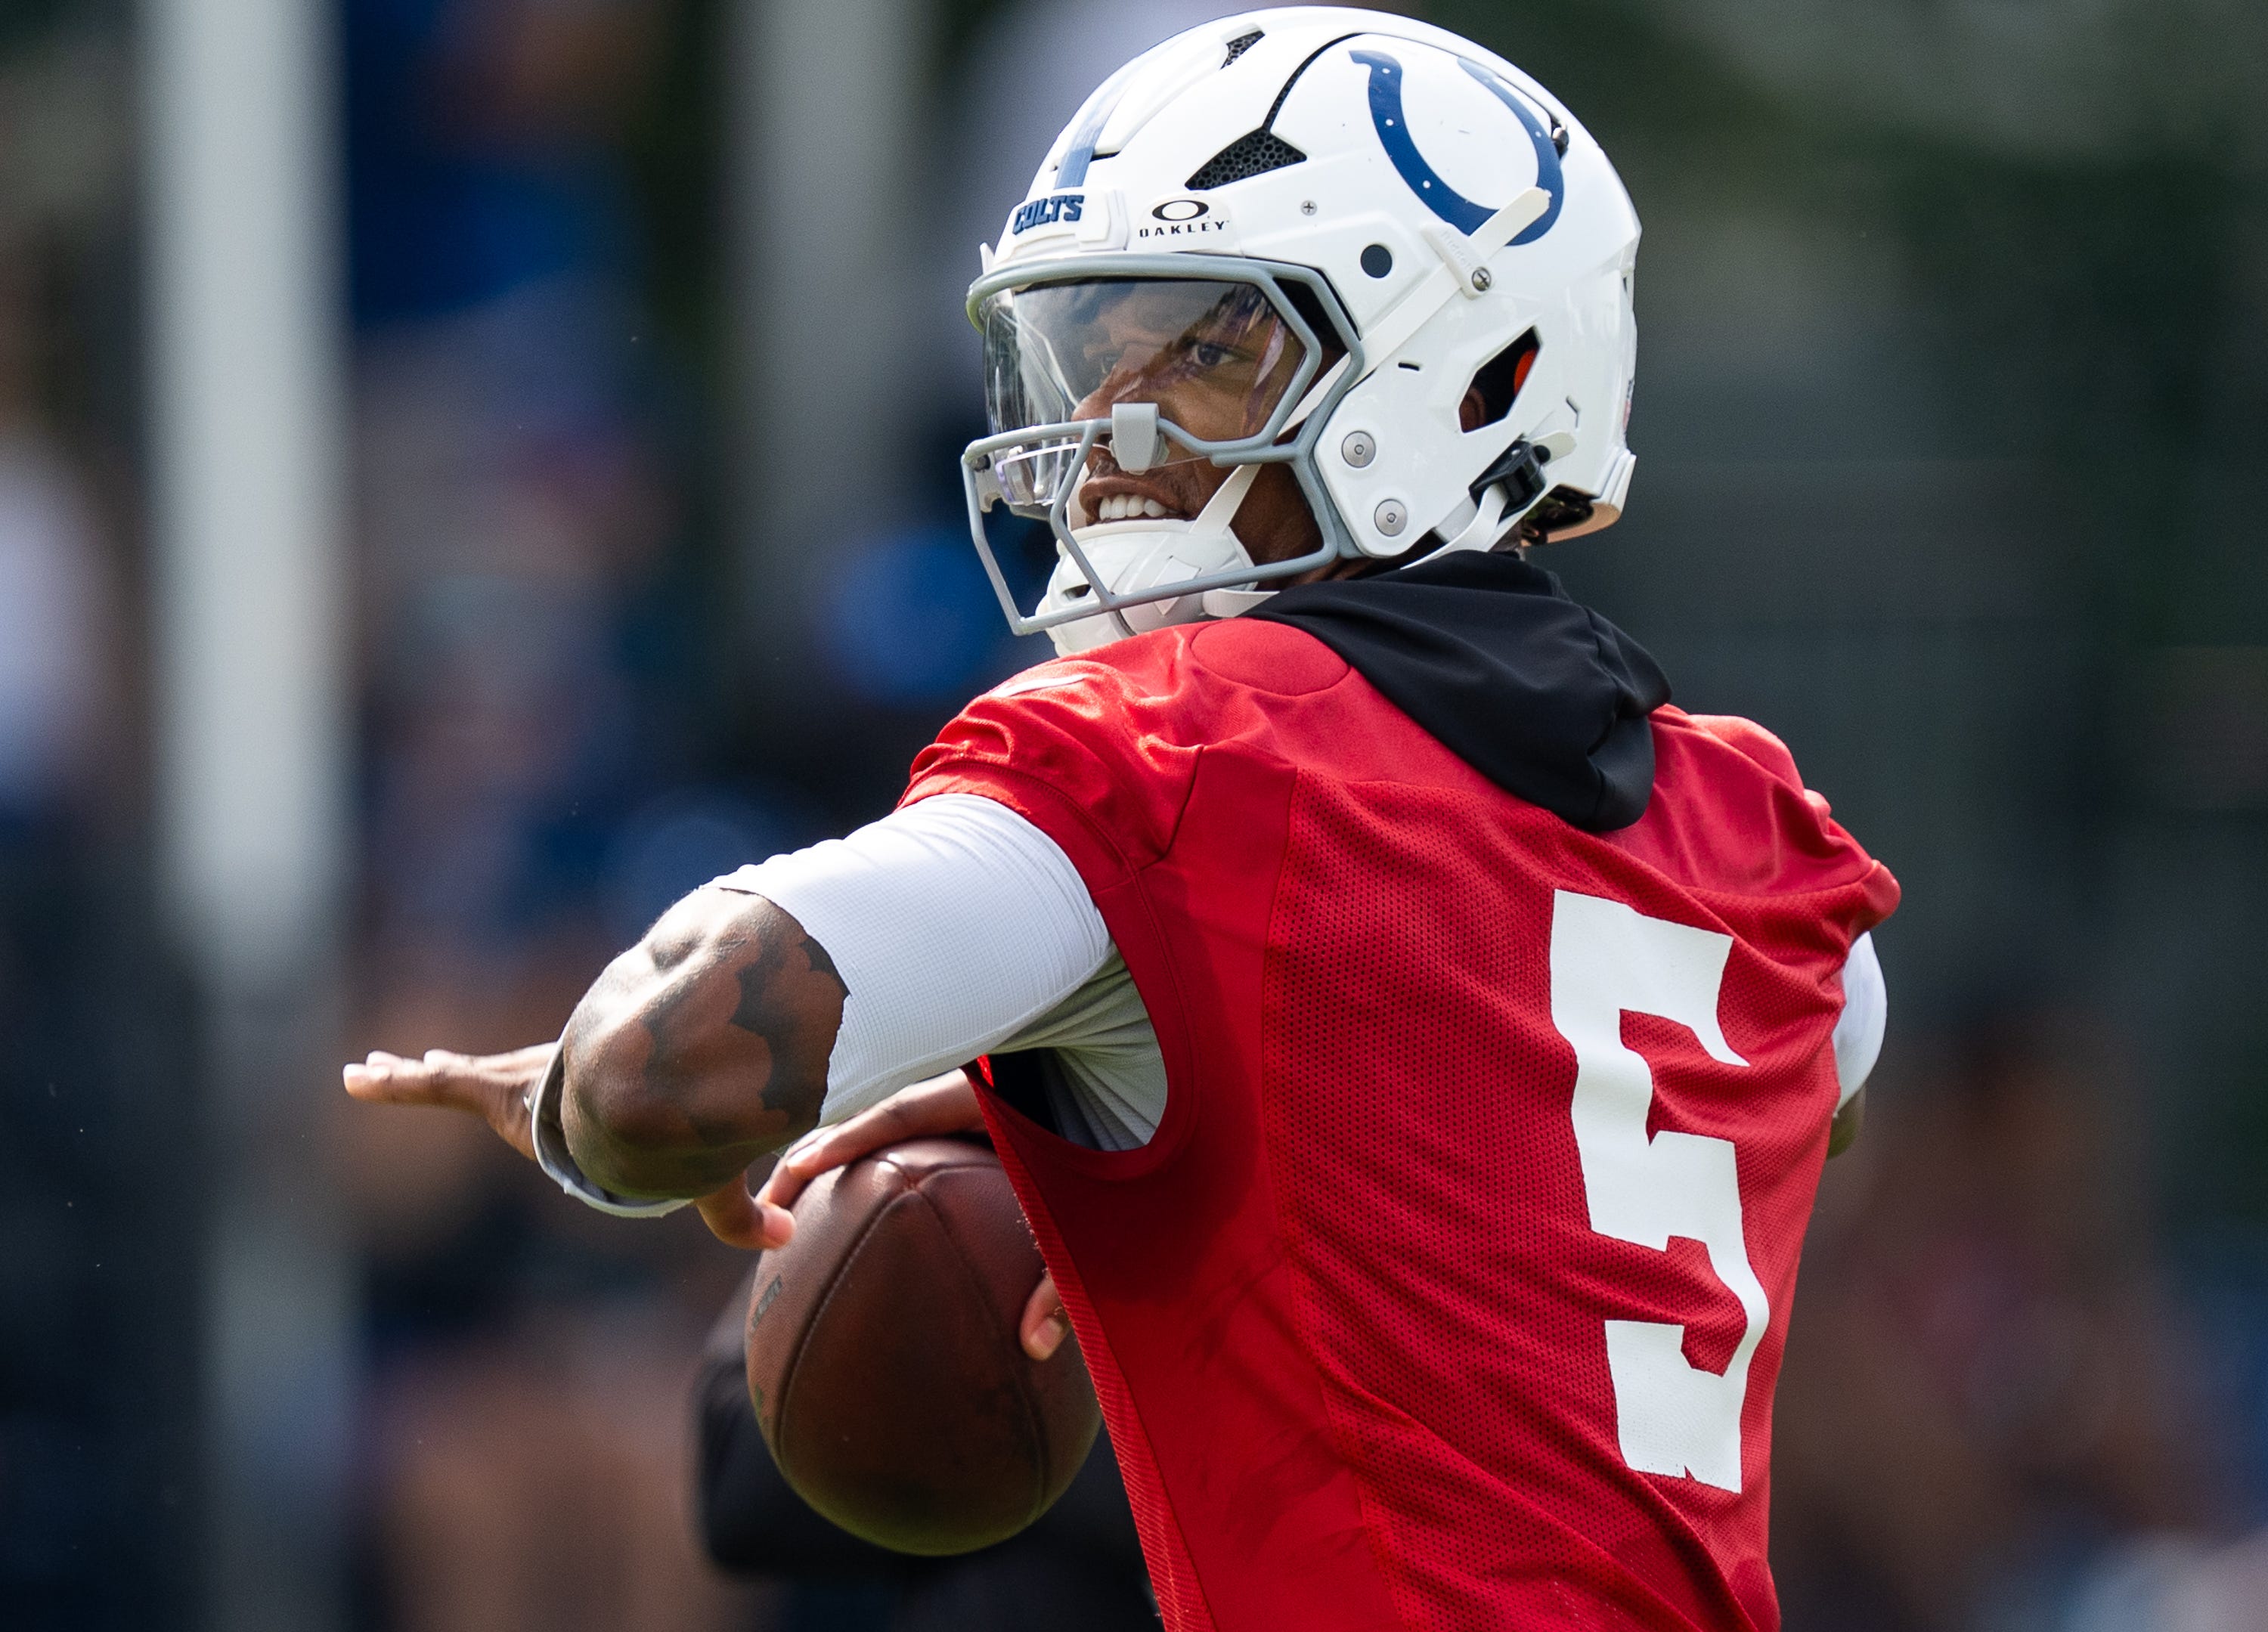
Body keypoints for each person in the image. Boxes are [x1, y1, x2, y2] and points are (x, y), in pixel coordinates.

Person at [346, 11, 1898, 1628]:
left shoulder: (1171, 754)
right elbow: (1641, 1083)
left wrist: (571, 1111)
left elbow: (657, 1072)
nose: (1105, 443)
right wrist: (1106, 1077)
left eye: (1207, 357)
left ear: (1468, 373)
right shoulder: (1765, 839)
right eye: (1095, 359)